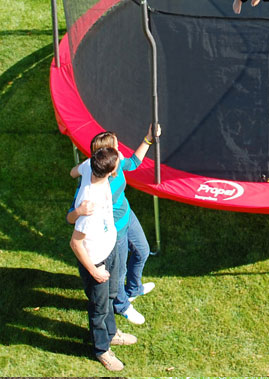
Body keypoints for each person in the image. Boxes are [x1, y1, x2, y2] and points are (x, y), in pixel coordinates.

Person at [67, 125, 159, 327]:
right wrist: (80, 210)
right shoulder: (93, 187)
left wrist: (148, 138)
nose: (121, 152)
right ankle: (122, 305)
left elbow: (134, 162)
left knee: (142, 251)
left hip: (128, 216)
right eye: (117, 149)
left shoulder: (116, 166)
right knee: (118, 273)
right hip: (113, 231)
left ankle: (134, 289)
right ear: (108, 158)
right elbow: (70, 218)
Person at [69, 146, 137, 372]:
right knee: (98, 308)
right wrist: (94, 270)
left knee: (110, 296)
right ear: (110, 170)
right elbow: (75, 243)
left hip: (110, 249)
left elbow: (72, 172)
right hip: (96, 260)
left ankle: (111, 333)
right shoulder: (90, 208)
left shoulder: (91, 165)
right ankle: (102, 350)